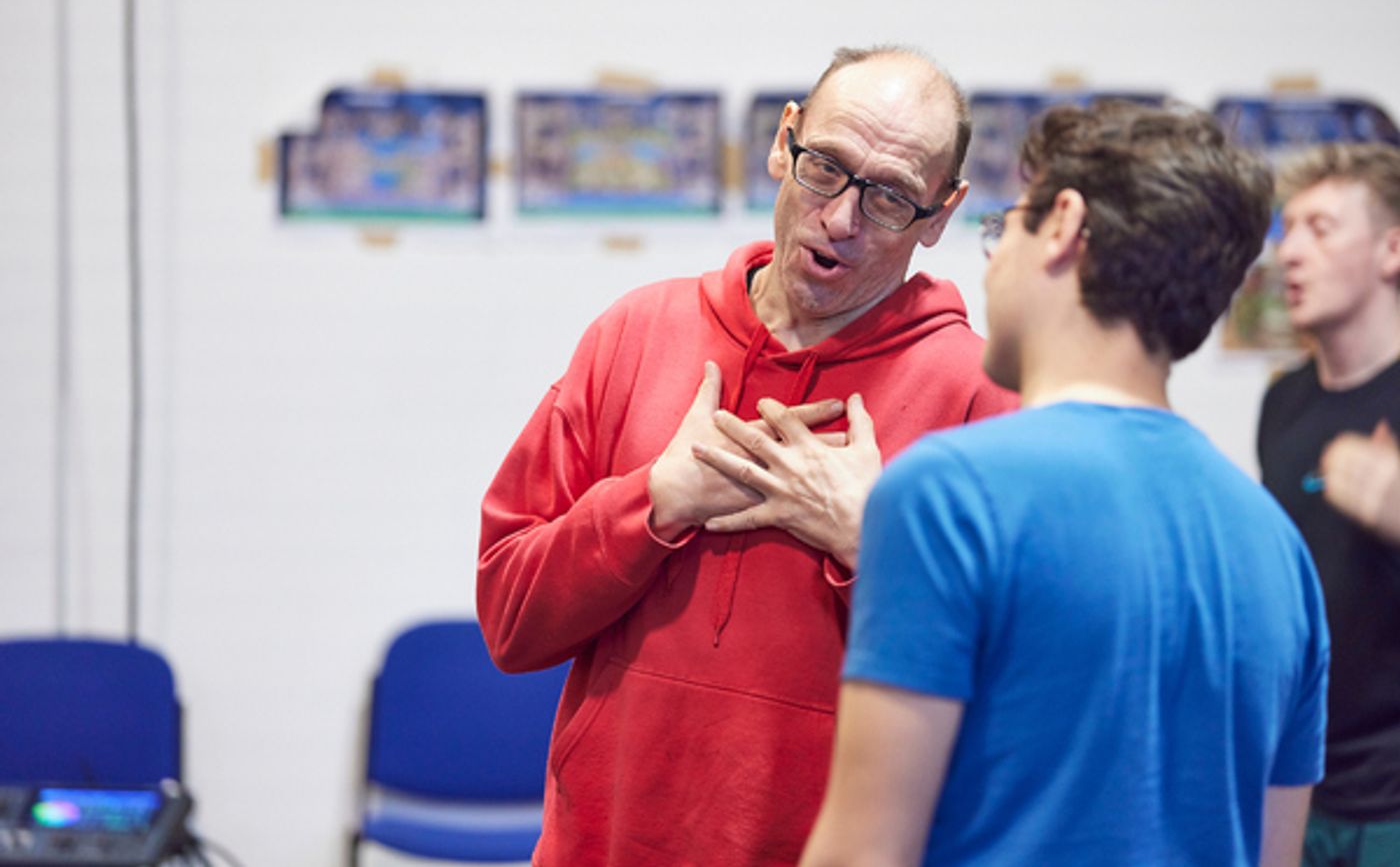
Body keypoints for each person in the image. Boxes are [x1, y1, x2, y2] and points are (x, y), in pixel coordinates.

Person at [477, 46, 1017, 865]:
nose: (841, 218)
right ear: (784, 140)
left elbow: (1018, 711)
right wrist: (653, 501)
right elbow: (511, 621)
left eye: (891, 197)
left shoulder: (983, 399)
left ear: (942, 214)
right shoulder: (636, 333)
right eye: (827, 168)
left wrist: (876, 547)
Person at [801, 101, 1330, 866]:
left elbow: (863, 852)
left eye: (1004, 224)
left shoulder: (950, 496)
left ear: (1062, 225)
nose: (991, 259)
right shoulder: (1280, 548)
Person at [1257, 142, 1400, 865]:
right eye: (1289, 230)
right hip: (1299, 779)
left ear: (1391, 248)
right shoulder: (1283, 402)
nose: (1290, 254)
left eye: (1320, 228)